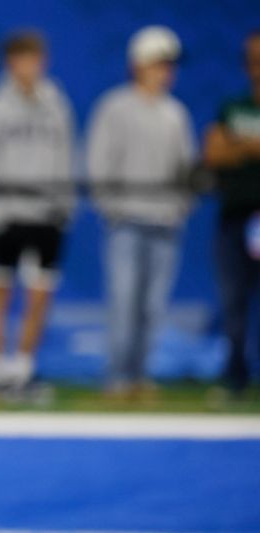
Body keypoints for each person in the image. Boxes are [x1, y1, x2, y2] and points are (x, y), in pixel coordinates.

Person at [87, 26, 196, 398]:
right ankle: (118, 379)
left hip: (166, 224)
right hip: (127, 223)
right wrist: (113, 209)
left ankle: (140, 377)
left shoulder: (176, 113)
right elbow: (99, 163)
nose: (165, 71)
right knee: (124, 301)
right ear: (139, 65)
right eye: (158, 63)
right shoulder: (115, 107)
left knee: (153, 306)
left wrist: (180, 208)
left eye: (168, 65)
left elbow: (188, 169)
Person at [0, 31, 75, 391]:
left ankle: (25, 366)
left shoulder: (56, 103)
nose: (29, 66)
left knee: (40, 293)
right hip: (8, 215)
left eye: (35, 58)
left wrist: (64, 206)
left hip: (47, 216)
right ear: (10, 62)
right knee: (0, 290)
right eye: (22, 58)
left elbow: (65, 156)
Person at [203, 31, 260, 397]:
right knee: (234, 301)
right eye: (252, 58)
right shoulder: (234, 105)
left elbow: (230, 147)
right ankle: (235, 377)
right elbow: (214, 152)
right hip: (236, 215)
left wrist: (241, 144)